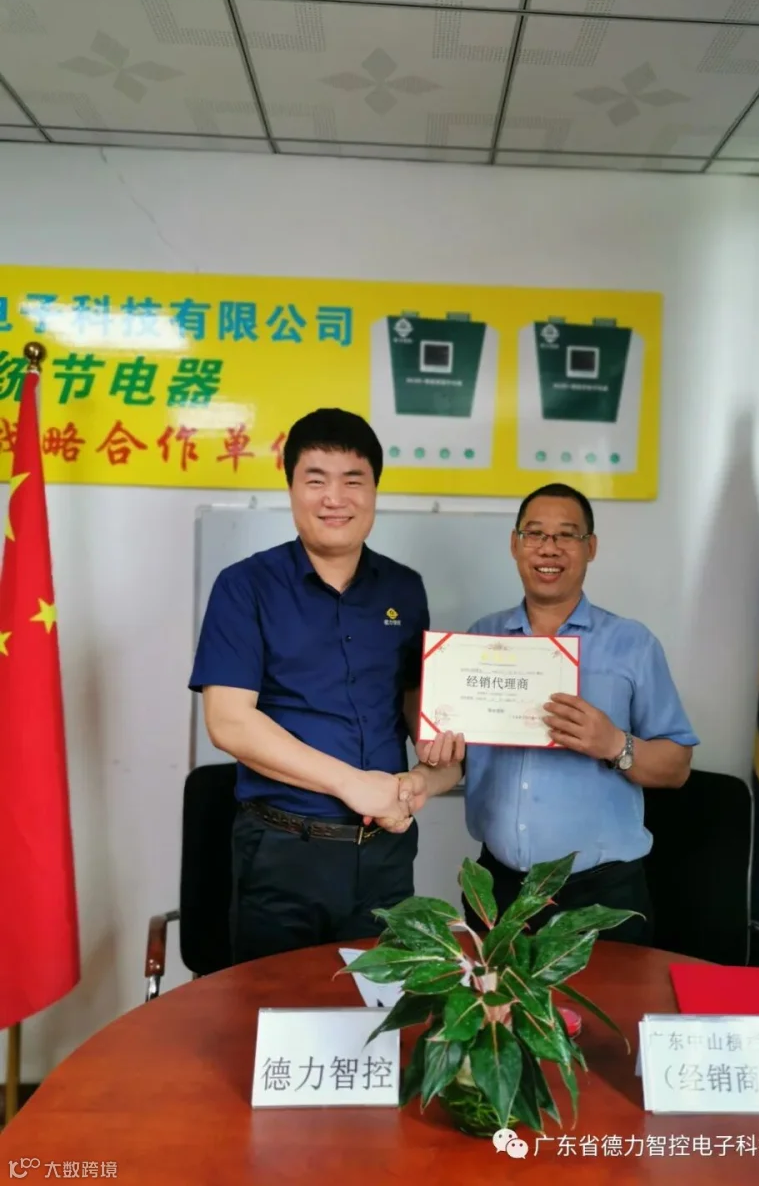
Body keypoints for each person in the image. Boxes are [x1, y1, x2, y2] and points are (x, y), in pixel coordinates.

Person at [189, 408, 463, 963]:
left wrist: (432, 770)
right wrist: (353, 785)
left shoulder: (404, 590)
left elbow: (419, 713)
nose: (335, 498)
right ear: (291, 488)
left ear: (374, 490)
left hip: (385, 853)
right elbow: (229, 722)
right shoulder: (245, 586)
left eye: (352, 480)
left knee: (382, 1007)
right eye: (316, 480)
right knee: (277, 1009)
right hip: (283, 853)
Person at [456, 482, 699, 944]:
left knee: (609, 997)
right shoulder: (480, 639)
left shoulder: (632, 644)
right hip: (496, 889)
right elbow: (461, 754)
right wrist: (433, 757)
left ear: (591, 548)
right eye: (534, 533)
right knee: (490, 996)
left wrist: (614, 744)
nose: (549, 548)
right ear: (515, 544)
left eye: (566, 535)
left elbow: (677, 767)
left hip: (601, 895)